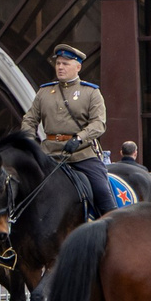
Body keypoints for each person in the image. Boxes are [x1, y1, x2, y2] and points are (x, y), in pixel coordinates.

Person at [25, 45, 114, 209]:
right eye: (58, 63)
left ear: (78, 67)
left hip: (81, 154)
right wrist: (30, 141)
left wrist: (79, 138)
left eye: (65, 64)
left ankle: (111, 228)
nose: (60, 67)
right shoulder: (44, 92)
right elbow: (30, 120)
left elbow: (98, 123)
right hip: (49, 154)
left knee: (102, 192)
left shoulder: (90, 92)